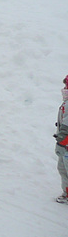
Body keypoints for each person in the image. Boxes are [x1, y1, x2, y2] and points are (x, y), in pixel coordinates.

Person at [54, 75, 68, 204]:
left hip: (66, 145)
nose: (64, 88)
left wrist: (61, 142)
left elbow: (67, 125)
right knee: (62, 168)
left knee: (64, 169)